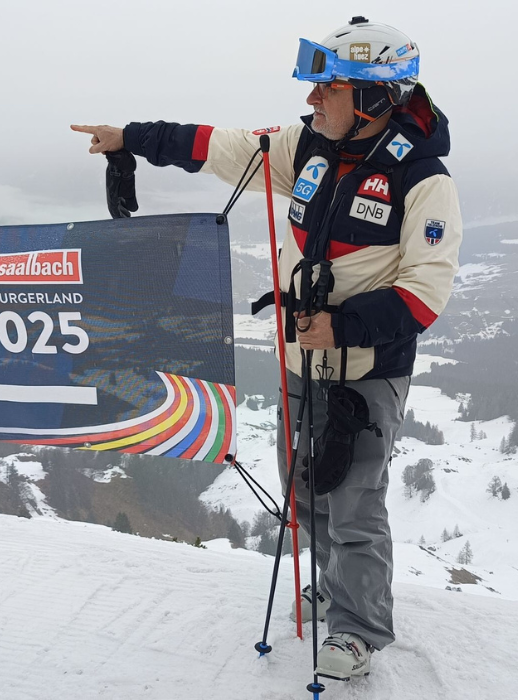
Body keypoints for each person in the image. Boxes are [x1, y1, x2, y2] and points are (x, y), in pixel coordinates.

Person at [72, 16, 461, 682]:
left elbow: (427, 293)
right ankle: (333, 584)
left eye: (327, 89)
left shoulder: (423, 180)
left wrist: (343, 326)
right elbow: (219, 146)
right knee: (305, 486)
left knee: (356, 497)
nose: (312, 100)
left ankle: (358, 627)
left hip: (365, 370)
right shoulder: (307, 147)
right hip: (301, 360)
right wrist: (129, 138)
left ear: (371, 96)